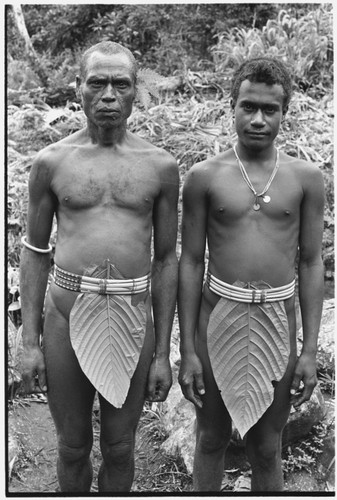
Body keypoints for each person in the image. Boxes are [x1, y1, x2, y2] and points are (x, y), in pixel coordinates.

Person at [20, 41, 179, 493]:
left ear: (134, 92)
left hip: (132, 318)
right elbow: (34, 250)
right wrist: (28, 340)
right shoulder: (52, 162)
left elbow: (167, 258)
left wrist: (163, 352)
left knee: (120, 447)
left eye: (120, 84)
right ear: (78, 88)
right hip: (65, 316)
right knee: (71, 446)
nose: (109, 95)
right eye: (97, 83)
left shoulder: (161, 166)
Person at [178, 57, 325, 492]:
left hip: (278, 320)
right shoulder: (205, 177)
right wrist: (187, 348)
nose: (258, 119)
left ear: (285, 112)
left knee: (266, 446)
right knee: (210, 438)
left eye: (270, 110)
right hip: (216, 315)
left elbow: (311, 262)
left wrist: (310, 350)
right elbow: (190, 261)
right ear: (232, 106)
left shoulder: (306, 178)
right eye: (248, 107)